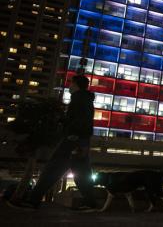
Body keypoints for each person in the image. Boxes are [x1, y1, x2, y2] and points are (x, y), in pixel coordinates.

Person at [8, 75, 97, 211]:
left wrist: (73, 134)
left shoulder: (79, 99)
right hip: (79, 140)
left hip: (73, 139)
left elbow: (82, 121)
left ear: (76, 84)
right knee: (81, 173)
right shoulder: (84, 99)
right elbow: (83, 121)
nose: (69, 86)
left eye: (71, 83)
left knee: (53, 168)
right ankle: (91, 204)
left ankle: (32, 201)